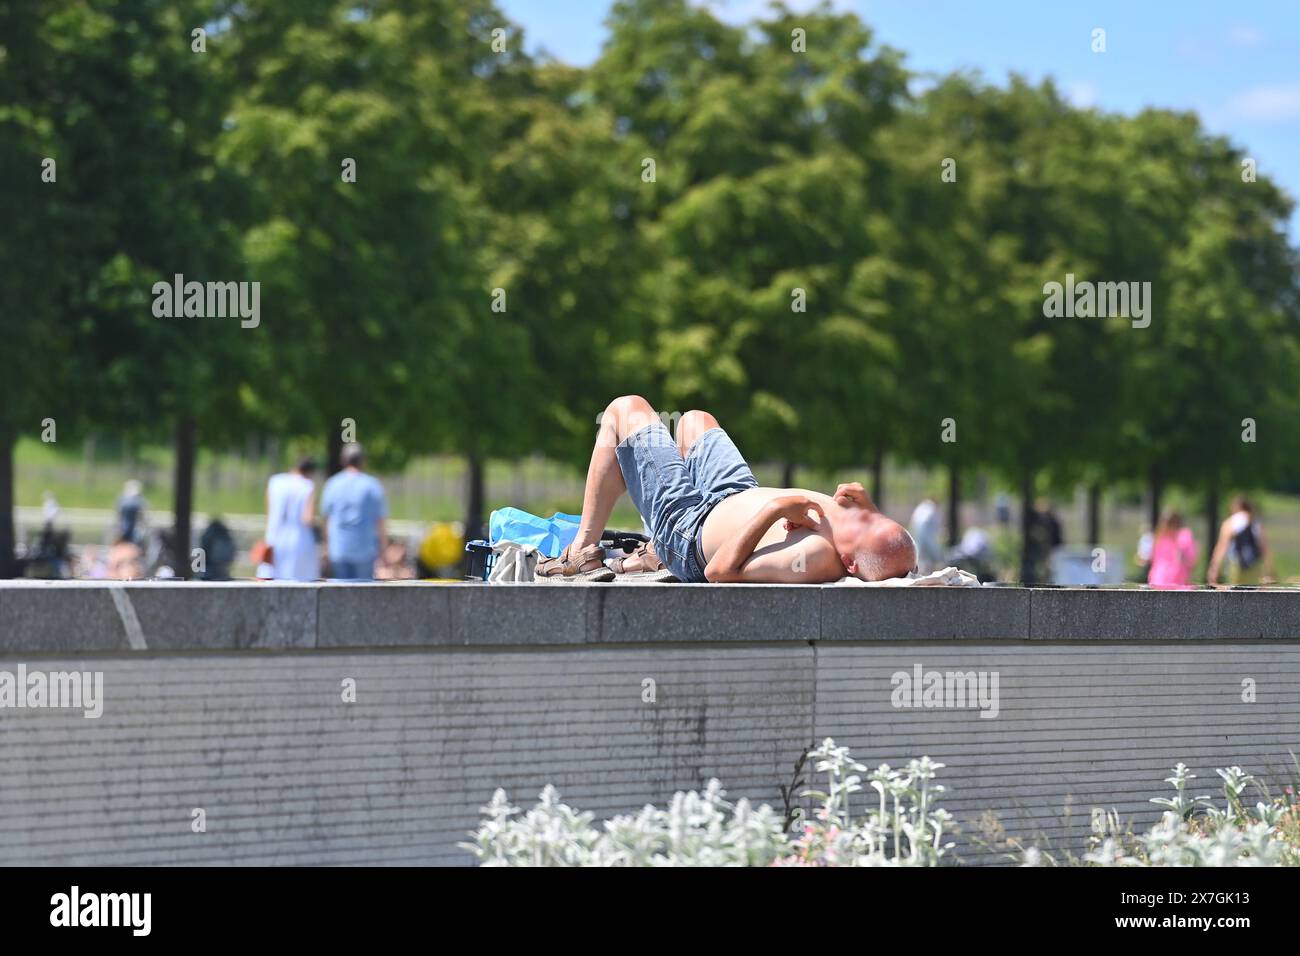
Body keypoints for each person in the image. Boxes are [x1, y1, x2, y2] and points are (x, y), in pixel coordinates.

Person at [535, 395, 916, 583]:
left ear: (848, 564)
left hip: (688, 531)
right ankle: (649, 553)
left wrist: (776, 509)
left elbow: (720, 572)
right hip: (732, 495)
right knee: (694, 421)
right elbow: (888, 553)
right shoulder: (856, 544)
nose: (862, 517)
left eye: (865, 525)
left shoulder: (815, 556)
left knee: (625, 409)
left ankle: (582, 553)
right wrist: (869, 513)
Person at [320, 443, 388, 581]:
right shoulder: (372, 485)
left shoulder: (333, 484)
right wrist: (383, 548)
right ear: (363, 461)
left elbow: (326, 519)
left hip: (339, 548)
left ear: (343, 460)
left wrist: (326, 547)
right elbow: (380, 520)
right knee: (364, 596)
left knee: (340, 594)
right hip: (365, 549)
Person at [265, 457, 320, 581]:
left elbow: (270, 511)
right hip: (299, 540)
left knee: (273, 579)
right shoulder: (308, 486)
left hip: (274, 538)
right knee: (299, 581)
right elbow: (307, 518)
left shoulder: (275, 481)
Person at [1208, 495, 1275, 585]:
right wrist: (1269, 569)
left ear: (1235, 507)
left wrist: (1214, 569)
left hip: (1236, 564)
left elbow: (1222, 547)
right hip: (1253, 565)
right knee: (1253, 595)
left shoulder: (1231, 522)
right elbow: (1264, 549)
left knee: (1235, 595)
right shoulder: (1255, 522)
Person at [1146, 509, 1197, 588]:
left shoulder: (1184, 536)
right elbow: (1153, 558)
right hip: (1158, 580)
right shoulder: (1159, 537)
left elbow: (1191, 561)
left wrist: (1181, 554)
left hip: (1178, 582)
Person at [909, 498, 943, 575]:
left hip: (918, 534)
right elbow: (934, 525)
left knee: (920, 556)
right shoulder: (931, 509)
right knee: (931, 557)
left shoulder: (921, 508)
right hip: (925, 534)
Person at [116, 479, 146, 544]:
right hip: (128, 529)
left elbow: (118, 515)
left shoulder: (122, 500)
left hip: (129, 529)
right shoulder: (138, 501)